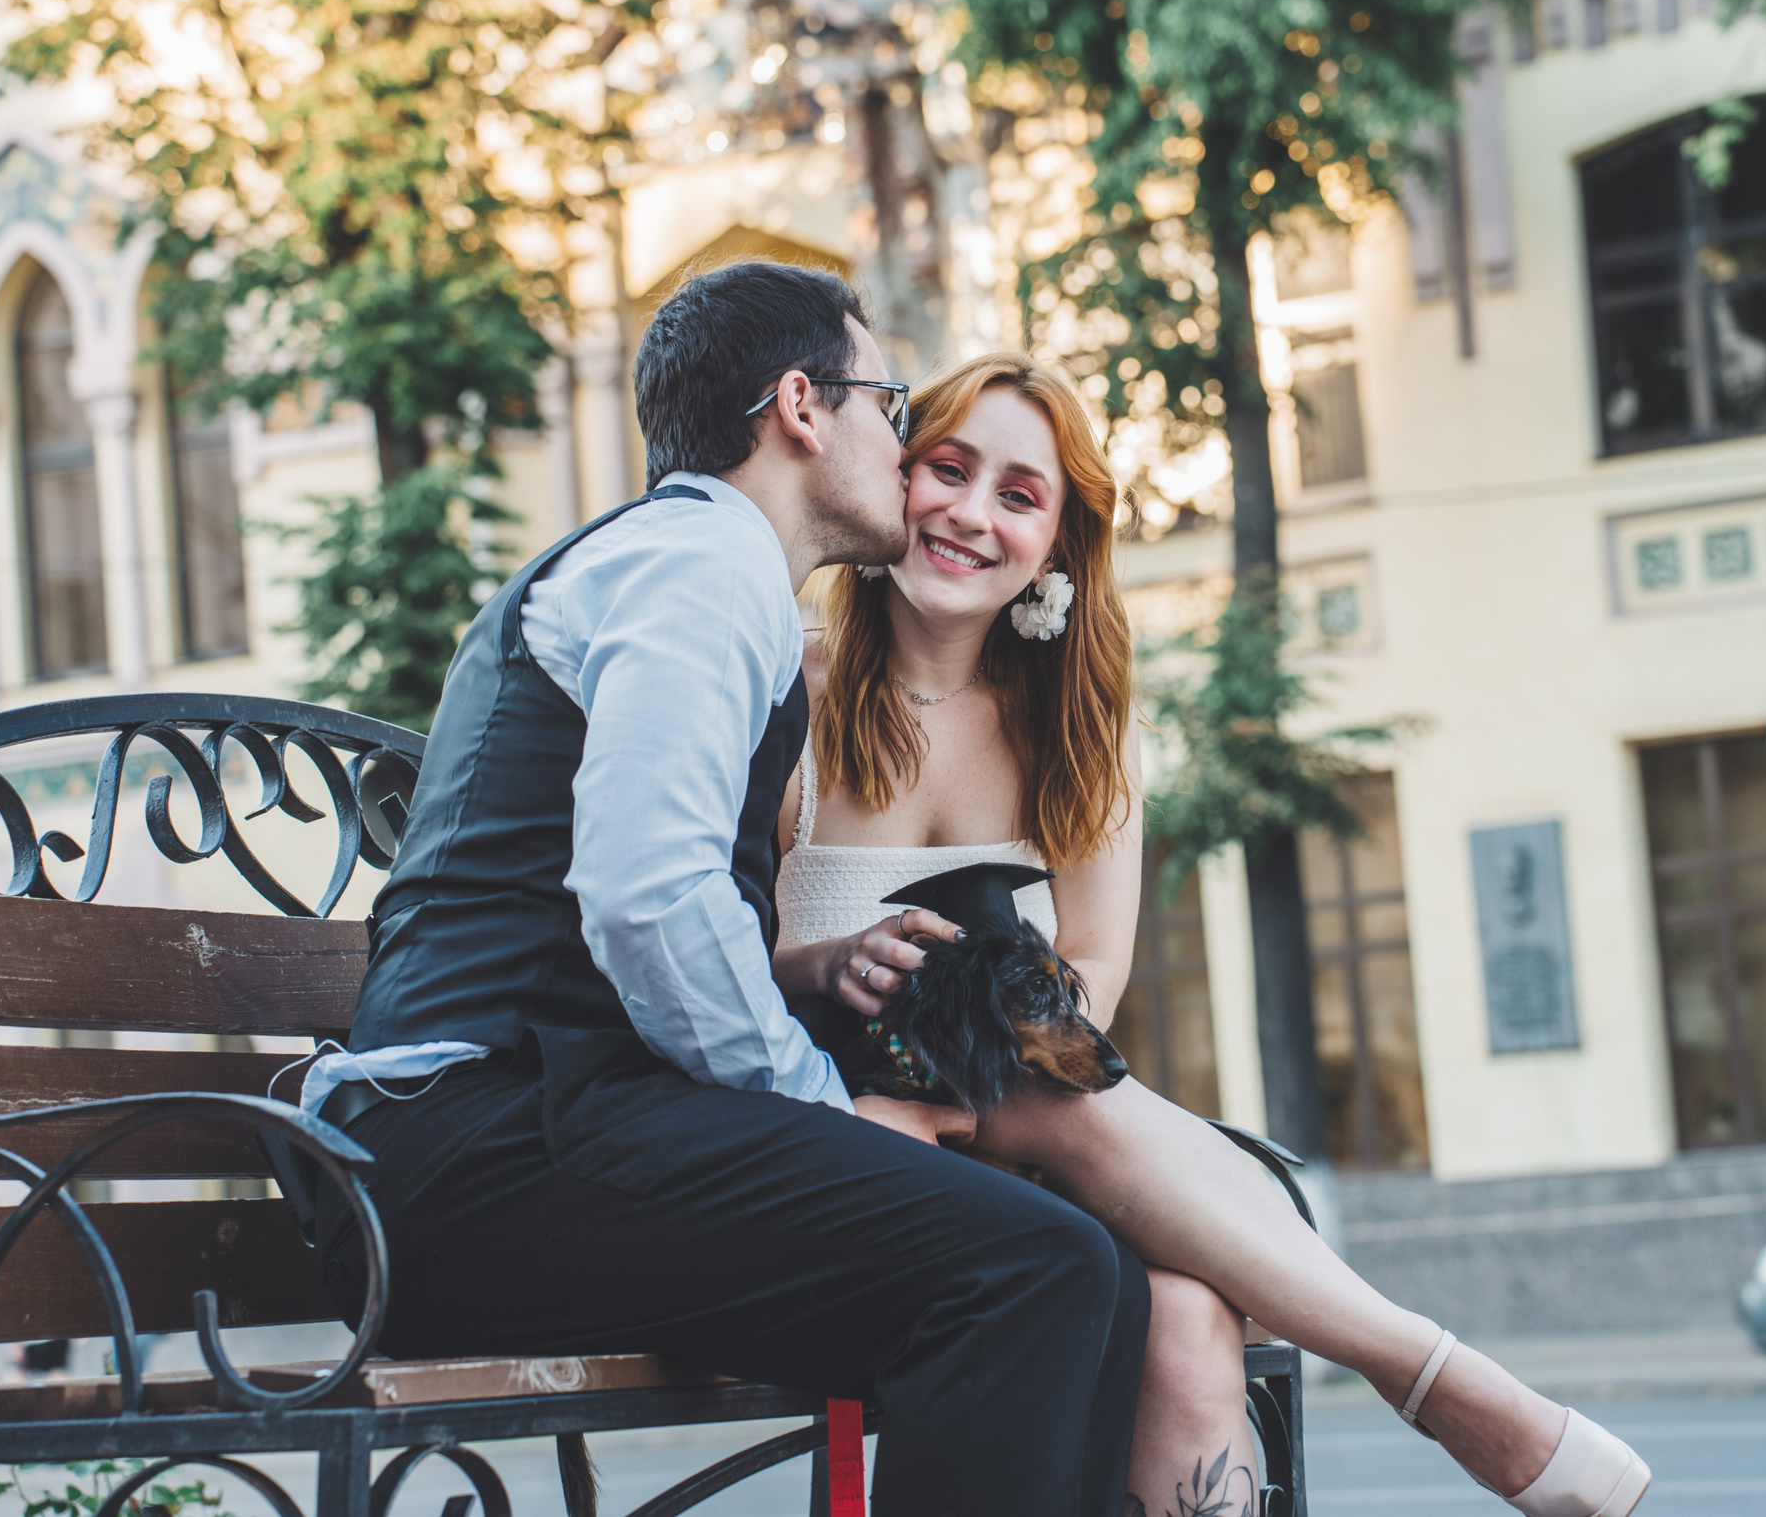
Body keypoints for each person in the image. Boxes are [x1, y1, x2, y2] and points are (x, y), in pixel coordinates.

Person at [310, 265, 1154, 1517]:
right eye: (889, 406)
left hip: (523, 1137)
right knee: (1032, 1271)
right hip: (463, 1156)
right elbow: (648, 897)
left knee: (1090, 1281)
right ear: (803, 407)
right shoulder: (700, 563)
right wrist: (822, 1111)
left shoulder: (698, 569)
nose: (901, 445)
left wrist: (814, 995)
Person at [770, 353, 1653, 1517]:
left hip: (1017, 1129)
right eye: (949, 469)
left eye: (1019, 495)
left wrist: (972, 1102)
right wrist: (835, 970)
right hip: (830, 1125)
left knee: (1189, 1319)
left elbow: (1091, 971)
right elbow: (705, 956)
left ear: (1057, 548)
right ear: (896, 476)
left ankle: (1433, 1379)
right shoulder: (789, 693)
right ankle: (1431, 1375)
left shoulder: (1079, 729)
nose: (972, 514)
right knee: (1046, 1095)